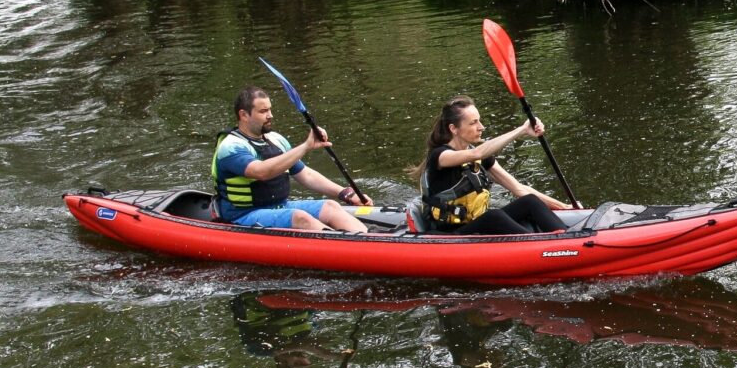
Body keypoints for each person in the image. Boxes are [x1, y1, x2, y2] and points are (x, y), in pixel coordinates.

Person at [212, 86, 372, 232]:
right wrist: (305, 147)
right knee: (301, 217)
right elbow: (261, 172)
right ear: (244, 115)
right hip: (243, 215)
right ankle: (349, 249)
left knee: (331, 206)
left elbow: (305, 175)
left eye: (270, 110)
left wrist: (345, 193)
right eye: (263, 111)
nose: (270, 115)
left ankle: (369, 240)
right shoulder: (231, 146)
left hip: (279, 206)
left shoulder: (276, 139)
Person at [410, 95, 570, 235]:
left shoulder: (480, 157)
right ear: (454, 129)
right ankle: (542, 247)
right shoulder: (440, 156)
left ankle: (568, 237)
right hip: (449, 233)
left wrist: (564, 206)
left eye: (479, 120)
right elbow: (477, 153)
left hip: (476, 224)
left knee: (530, 201)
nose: (481, 127)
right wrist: (522, 130)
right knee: (493, 216)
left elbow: (518, 189)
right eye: (473, 123)